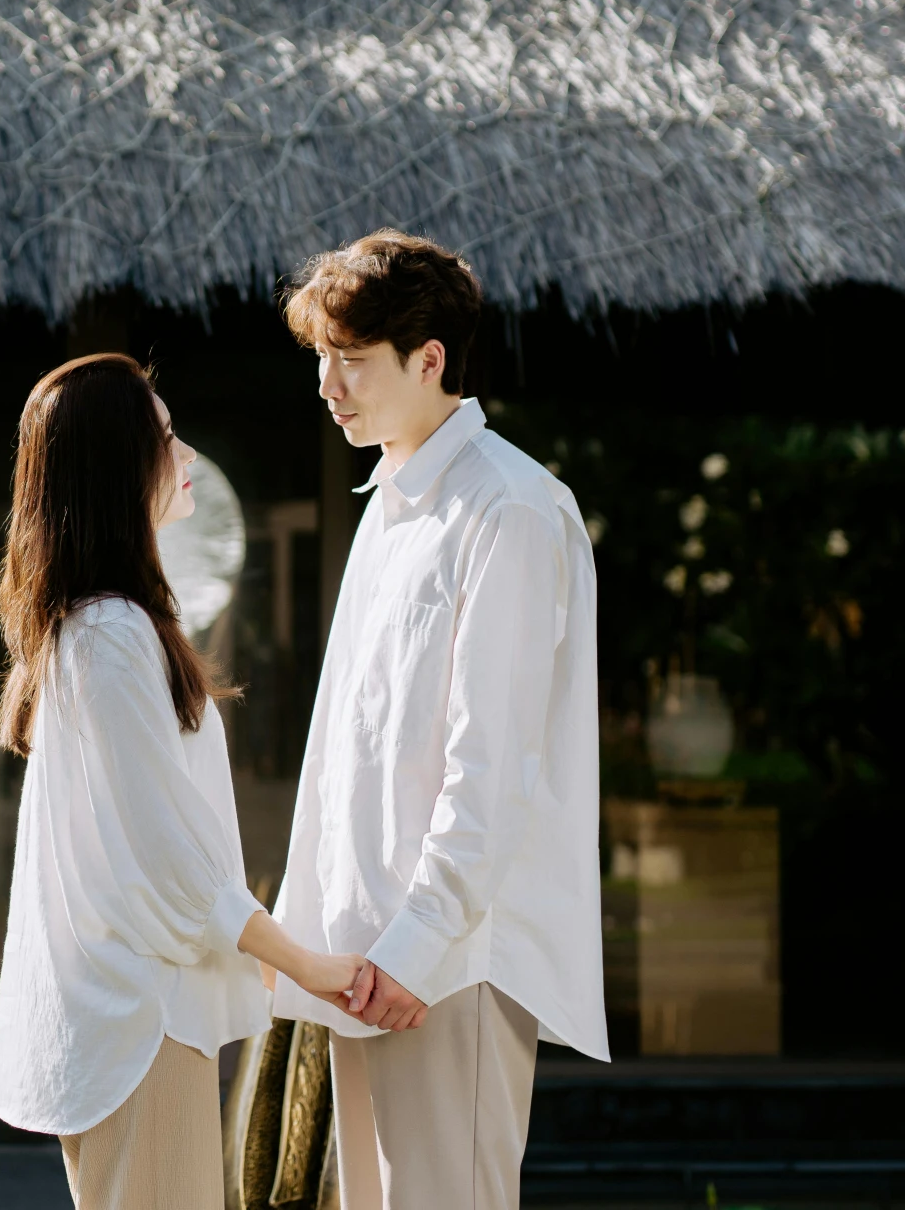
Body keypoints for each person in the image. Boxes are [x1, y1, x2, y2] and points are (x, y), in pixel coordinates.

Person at [0, 354, 373, 1210]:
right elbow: (169, 858)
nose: (186, 454)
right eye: (164, 437)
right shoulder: (112, 634)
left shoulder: (96, 627)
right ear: (122, 464)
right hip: (139, 1028)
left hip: (135, 1025)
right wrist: (301, 962)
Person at [271, 231, 608, 1210]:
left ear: (431, 361)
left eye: (353, 359)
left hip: (444, 965)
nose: (328, 384)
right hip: (364, 958)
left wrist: (415, 947)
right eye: (321, 357)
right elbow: (349, 756)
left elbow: (491, 768)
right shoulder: (391, 502)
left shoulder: (510, 507)